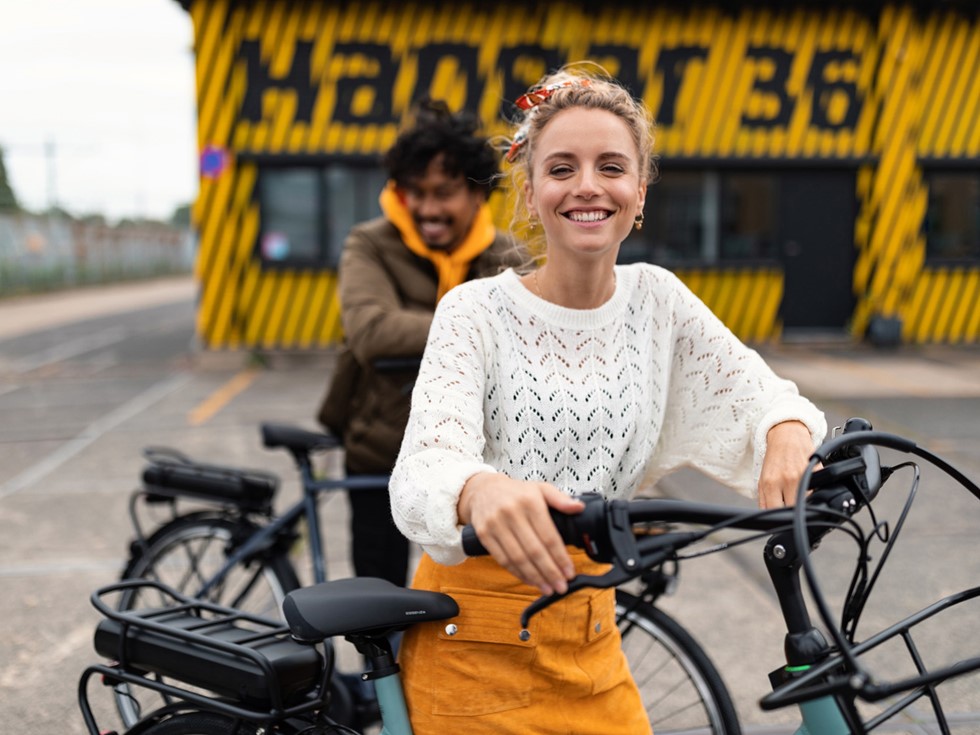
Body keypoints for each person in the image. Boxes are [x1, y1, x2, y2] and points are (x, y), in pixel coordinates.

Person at [389, 67, 827, 734]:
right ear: (531, 194)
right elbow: (422, 470)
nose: (588, 185)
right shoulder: (473, 312)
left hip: (594, 634)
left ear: (640, 191)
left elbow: (767, 395)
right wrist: (478, 488)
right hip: (471, 644)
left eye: (611, 166)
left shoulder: (659, 300)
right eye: (562, 168)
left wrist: (788, 431)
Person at [317, 99, 523, 587]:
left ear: (476, 195)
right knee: (379, 604)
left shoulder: (507, 255)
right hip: (381, 449)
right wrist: (479, 325)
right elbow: (371, 332)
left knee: (470, 599)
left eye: (445, 192)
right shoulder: (369, 243)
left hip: (476, 457)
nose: (428, 208)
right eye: (416, 192)